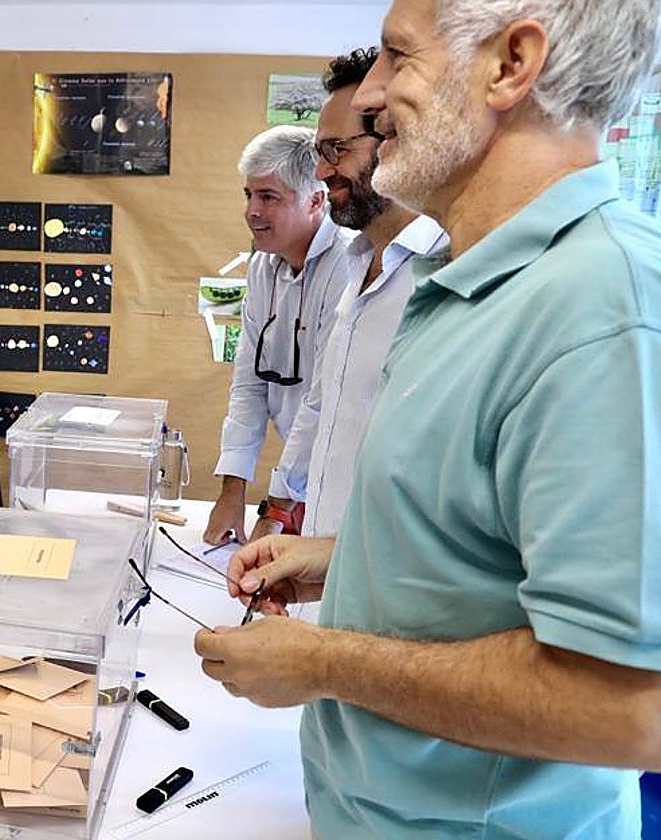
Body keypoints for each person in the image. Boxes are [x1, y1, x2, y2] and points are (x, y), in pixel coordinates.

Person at [195, 0, 661, 835]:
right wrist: (342, 560)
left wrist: (324, 662)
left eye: (398, 57)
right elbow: (483, 552)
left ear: (510, 66)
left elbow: (631, 707)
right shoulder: (463, 280)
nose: (371, 98)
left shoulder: (604, 309)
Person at [264, 48, 447, 543]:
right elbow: (323, 404)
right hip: (330, 561)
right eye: (320, 154)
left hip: (389, 573)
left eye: (337, 150)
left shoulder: (445, 274)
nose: (323, 173)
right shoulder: (358, 264)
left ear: (393, 138)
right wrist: (278, 508)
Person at [203, 125, 352, 545]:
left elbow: (323, 402)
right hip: (299, 477)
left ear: (316, 200)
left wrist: (275, 510)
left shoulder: (349, 264)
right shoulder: (262, 266)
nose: (252, 210)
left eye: (268, 197)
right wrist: (232, 491)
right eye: (248, 195)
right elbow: (249, 384)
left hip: (344, 479)